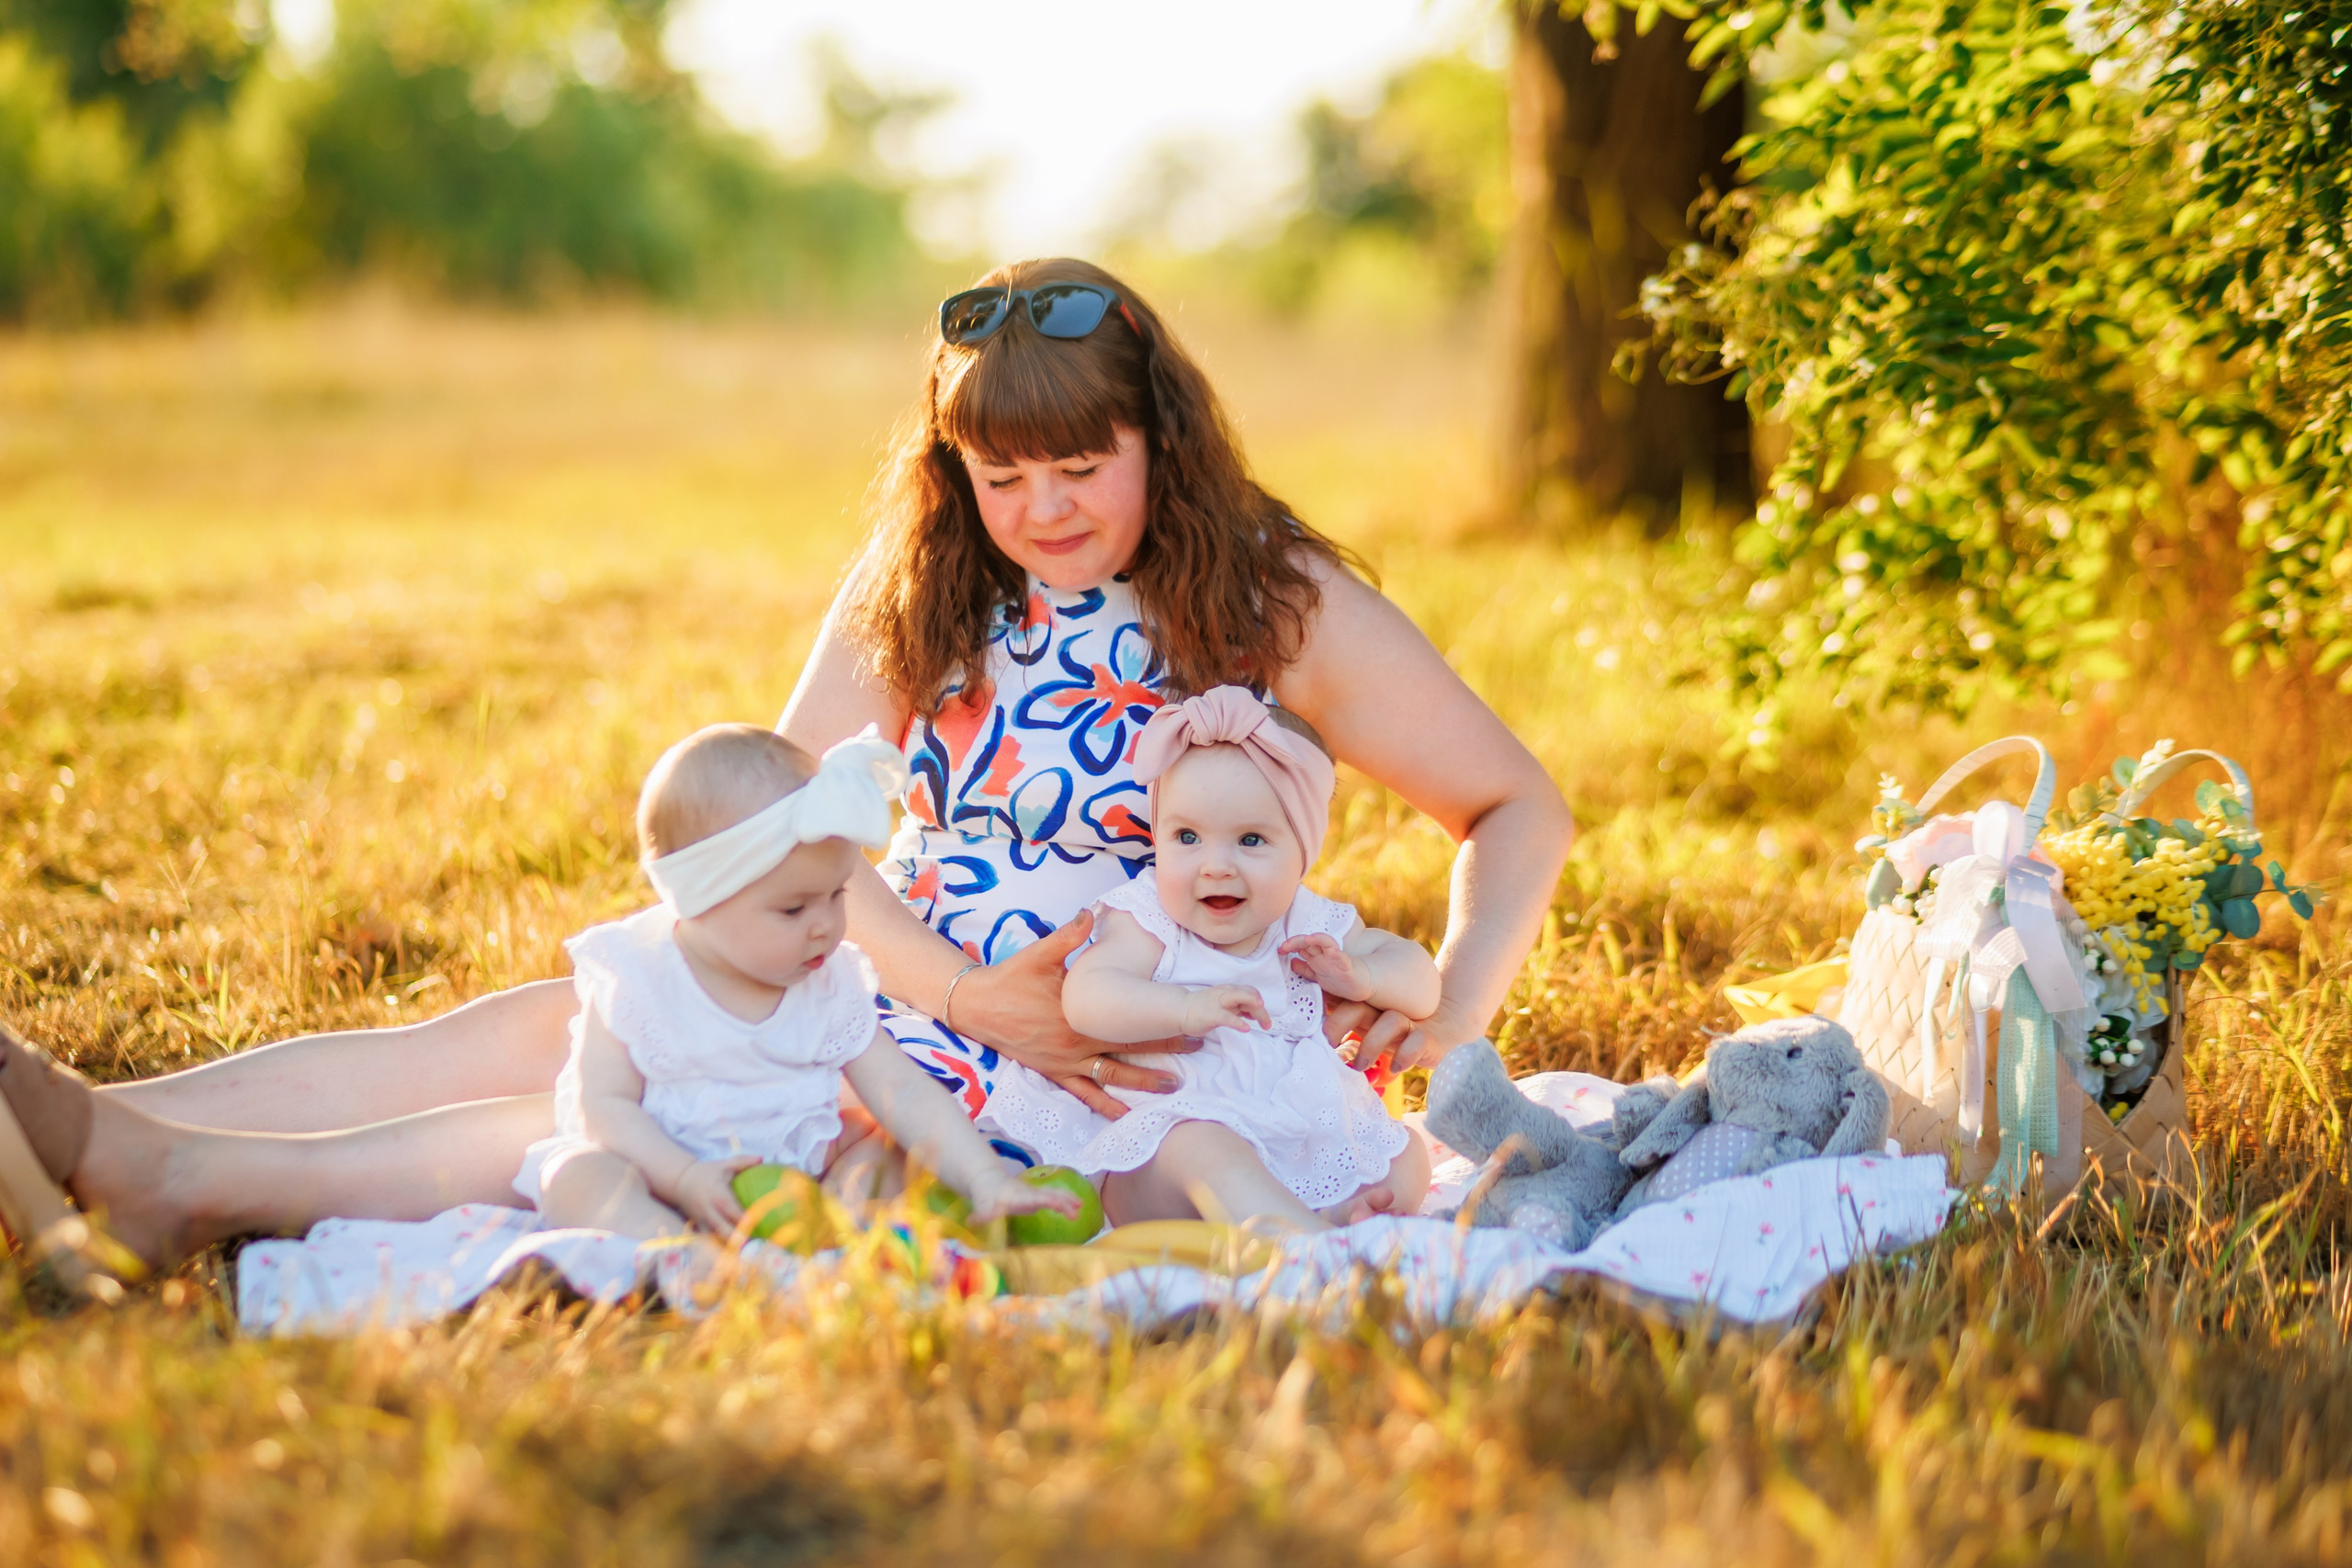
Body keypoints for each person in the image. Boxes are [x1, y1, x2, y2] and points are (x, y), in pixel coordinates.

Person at [0, 256, 1572, 1280]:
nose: (1044, 508)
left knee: (662, 1099)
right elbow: (783, 826)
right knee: (584, 1015)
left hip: (1129, 1051)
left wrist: (1455, 1000)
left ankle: (168, 1176)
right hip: (915, 982)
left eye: (1083, 464)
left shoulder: (1270, 591)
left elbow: (1517, 806)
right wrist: (953, 985)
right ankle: (96, 1126)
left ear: (1162, 432)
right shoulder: (934, 576)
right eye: (1000, 470)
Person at [521, 723, 1076, 1247]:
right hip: (664, 1180)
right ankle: (679, 1254)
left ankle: (831, 1239)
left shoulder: (830, 985)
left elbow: (903, 1091)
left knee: (886, 1150)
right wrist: (685, 1177)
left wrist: (983, 1176)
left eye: (836, 895)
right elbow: (603, 1106)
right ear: (698, 898)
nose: (825, 925)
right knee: (575, 1173)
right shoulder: (637, 974)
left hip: (800, 1191)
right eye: (793, 908)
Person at [984, 686, 1438, 1230]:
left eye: (1249, 840)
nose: (1215, 865)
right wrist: (1183, 1008)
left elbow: (1422, 983)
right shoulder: (1153, 918)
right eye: (1187, 837)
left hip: (1291, 1131)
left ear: (1302, 851)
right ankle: (1313, 1252)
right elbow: (1086, 996)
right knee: (1205, 1149)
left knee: (1406, 1153)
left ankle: (1322, 1217)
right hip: (1162, 1144)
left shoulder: (1308, 923)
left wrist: (1363, 975)